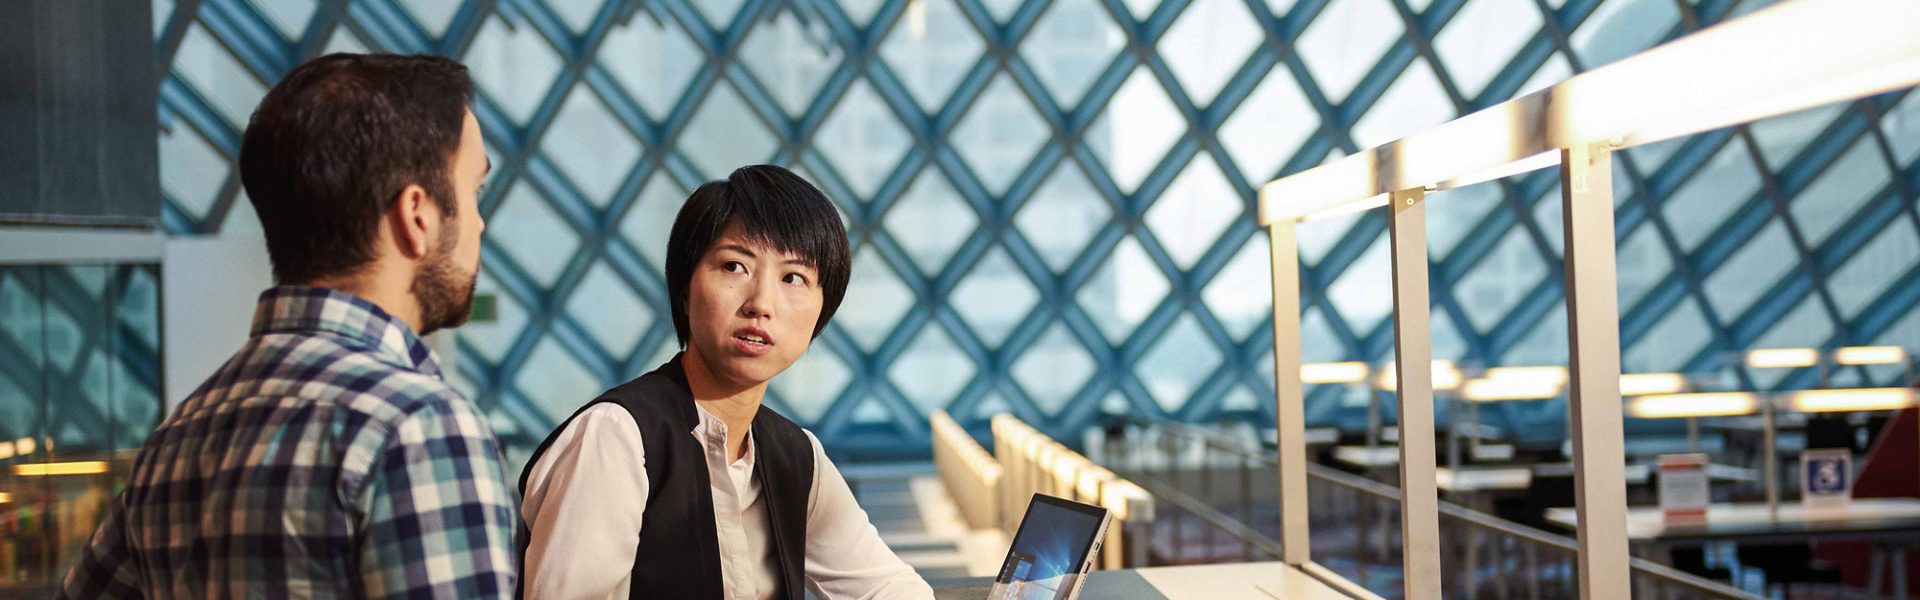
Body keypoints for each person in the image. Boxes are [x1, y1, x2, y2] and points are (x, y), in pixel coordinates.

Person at [59, 53, 515, 598]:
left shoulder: (176, 439)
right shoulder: (418, 427)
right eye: (474, 192)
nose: (480, 223)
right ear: (416, 214)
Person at [518, 165, 934, 599]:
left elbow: (886, 586)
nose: (761, 304)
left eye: (793, 278)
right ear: (684, 288)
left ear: (821, 312)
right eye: (734, 266)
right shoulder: (617, 437)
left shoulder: (796, 456)